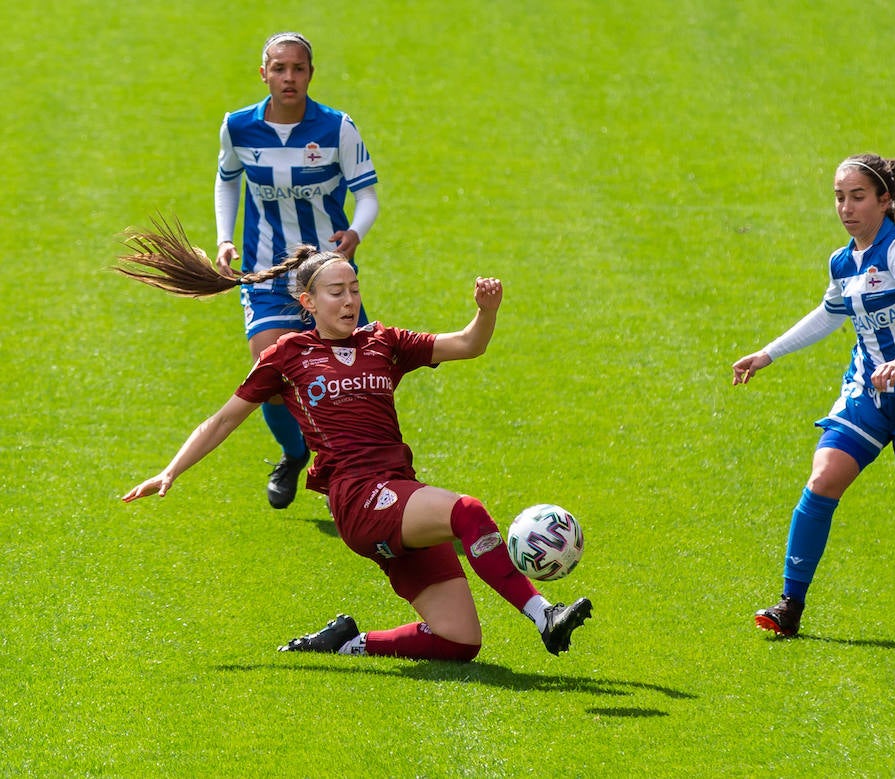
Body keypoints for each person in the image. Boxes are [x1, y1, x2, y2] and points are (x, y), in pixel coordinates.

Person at [116, 222, 592, 660]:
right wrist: (170, 471)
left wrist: (486, 312)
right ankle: (544, 615)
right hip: (359, 499)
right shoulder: (289, 355)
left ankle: (348, 643)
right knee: (466, 512)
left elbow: (469, 344)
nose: (349, 301)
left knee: (459, 641)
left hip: (398, 494)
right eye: (336, 292)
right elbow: (222, 421)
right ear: (308, 302)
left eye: (355, 290)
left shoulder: (383, 343)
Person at [732, 153, 895, 637]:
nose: (846, 208)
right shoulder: (844, 260)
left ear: (885, 201)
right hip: (869, 389)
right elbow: (830, 313)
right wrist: (768, 353)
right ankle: (790, 605)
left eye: (858, 197)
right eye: (839, 197)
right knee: (823, 479)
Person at [216, 31, 381, 509]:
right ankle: (294, 454)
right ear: (263, 73)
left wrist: (355, 234)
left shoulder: (336, 128)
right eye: (279, 68)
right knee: (268, 373)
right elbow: (227, 183)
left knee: (355, 378)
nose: (289, 77)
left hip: (326, 272)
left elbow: (367, 194)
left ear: (310, 73)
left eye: (299, 69)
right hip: (266, 271)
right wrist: (225, 239)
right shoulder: (238, 127)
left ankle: (354, 477)